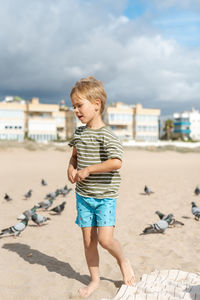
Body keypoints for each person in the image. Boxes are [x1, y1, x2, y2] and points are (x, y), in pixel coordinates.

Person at [67, 76, 135, 298]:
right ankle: (94, 279)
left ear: (96, 104)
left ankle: (122, 260)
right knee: (89, 241)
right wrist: (71, 167)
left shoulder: (107, 135)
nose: (76, 110)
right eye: (73, 106)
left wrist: (89, 170)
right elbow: (75, 156)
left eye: (80, 105)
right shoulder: (79, 133)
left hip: (105, 197)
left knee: (105, 240)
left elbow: (116, 162)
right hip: (84, 196)